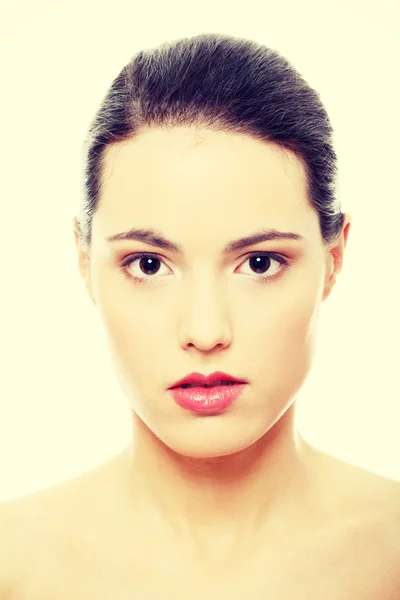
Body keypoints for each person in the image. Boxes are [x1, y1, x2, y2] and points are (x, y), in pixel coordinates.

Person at [1, 32, 399, 599]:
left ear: (334, 260)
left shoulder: (392, 557)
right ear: (85, 263)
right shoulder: (12, 567)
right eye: (148, 264)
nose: (205, 332)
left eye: (260, 263)